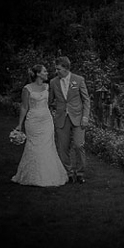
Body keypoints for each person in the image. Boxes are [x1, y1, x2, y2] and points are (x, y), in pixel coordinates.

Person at [12, 64, 69, 187]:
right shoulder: (27, 89)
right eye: (44, 71)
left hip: (46, 120)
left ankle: (50, 175)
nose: (47, 73)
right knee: (34, 146)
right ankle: (32, 175)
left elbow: (53, 102)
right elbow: (24, 107)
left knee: (48, 146)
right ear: (38, 74)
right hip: (33, 120)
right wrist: (19, 125)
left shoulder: (48, 87)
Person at [49, 56, 92, 184]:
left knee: (79, 145)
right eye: (56, 69)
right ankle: (67, 173)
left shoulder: (79, 80)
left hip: (78, 118)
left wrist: (85, 117)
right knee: (63, 147)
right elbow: (49, 101)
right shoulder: (53, 82)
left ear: (66, 68)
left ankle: (80, 173)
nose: (57, 71)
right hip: (62, 118)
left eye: (59, 69)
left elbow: (86, 100)